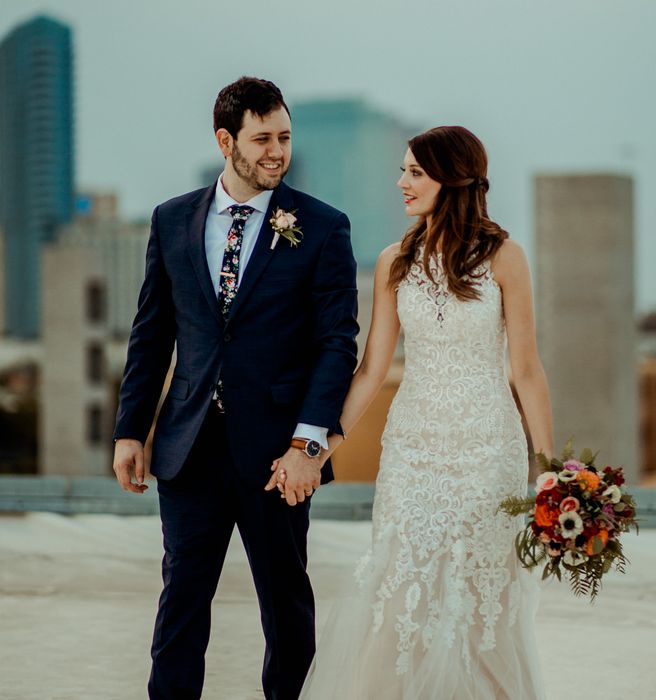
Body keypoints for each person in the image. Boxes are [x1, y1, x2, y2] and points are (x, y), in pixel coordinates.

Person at [111, 76, 358, 700]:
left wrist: (309, 445)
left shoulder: (323, 227)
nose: (278, 151)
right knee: (182, 603)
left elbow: (337, 343)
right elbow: (151, 333)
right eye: (263, 138)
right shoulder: (171, 220)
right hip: (188, 447)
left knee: (285, 607)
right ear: (227, 141)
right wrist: (130, 430)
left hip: (278, 453)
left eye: (285, 137)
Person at [287, 126, 553, 699]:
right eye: (403, 170)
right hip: (412, 449)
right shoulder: (392, 262)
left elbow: (526, 369)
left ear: (453, 179)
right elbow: (371, 370)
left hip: (487, 449)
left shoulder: (506, 257)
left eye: (415, 172)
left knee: (478, 599)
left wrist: (552, 470)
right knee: (401, 586)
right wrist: (316, 448)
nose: (401, 182)